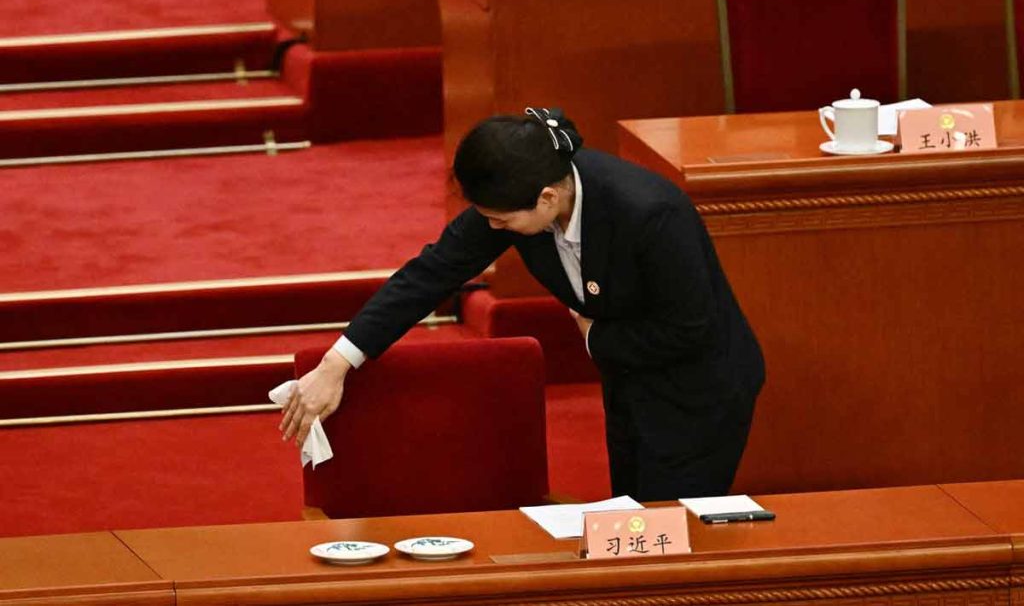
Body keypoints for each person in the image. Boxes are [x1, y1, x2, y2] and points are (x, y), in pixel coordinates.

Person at [280, 107, 764, 500]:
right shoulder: (518, 194)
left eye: (501, 220)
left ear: (548, 198)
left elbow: (689, 328)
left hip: (700, 392)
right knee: (633, 522)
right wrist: (338, 362)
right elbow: (431, 273)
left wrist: (596, 338)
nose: (493, 228)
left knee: (667, 543)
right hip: (630, 381)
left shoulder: (651, 214)